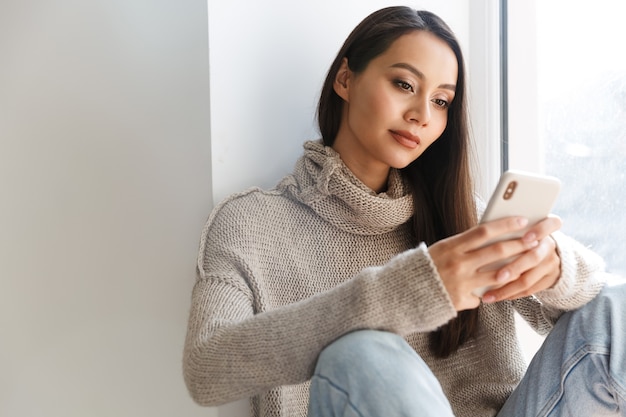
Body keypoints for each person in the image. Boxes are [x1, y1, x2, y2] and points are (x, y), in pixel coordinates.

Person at [183, 6, 626, 417]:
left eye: (440, 101)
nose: (420, 115)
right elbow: (206, 368)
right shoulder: (252, 223)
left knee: (615, 308)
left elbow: (599, 316)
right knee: (361, 354)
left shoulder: (461, 217)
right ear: (345, 80)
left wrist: (553, 268)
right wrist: (407, 290)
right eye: (404, 85)